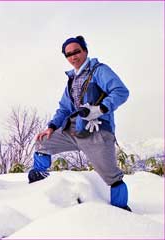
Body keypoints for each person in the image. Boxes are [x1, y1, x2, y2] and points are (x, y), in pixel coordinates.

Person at [28, 35, 131, 211]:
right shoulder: (71, 80)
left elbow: (121, 91)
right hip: (73, 129)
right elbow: (63, 109)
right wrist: (51, 127)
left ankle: (121, 212)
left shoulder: (99, 70)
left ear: (85, 51)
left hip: (96, 131)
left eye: (77, 51)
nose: (73, 57)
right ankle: (39, 187)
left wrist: (101, 109)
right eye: (68, 54)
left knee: (112, 177)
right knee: (43, 142)